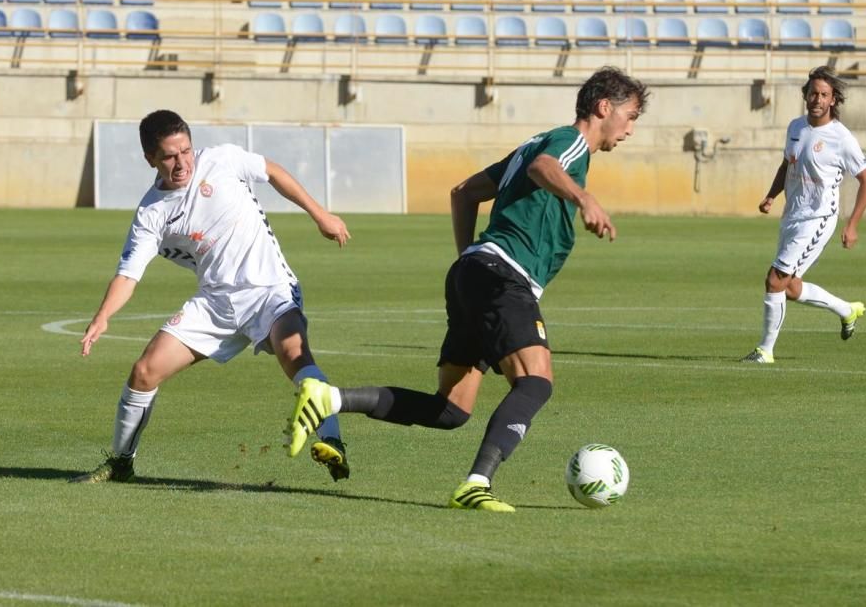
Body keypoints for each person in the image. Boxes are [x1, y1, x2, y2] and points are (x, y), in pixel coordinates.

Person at [284, 67, 648, 512]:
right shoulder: (566, 145)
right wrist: (584, 199)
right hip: (502, 275)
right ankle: (476, 483)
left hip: (475, 272)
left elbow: (463, 192)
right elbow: (542, 168)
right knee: (536, 383)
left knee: (451, 409)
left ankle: (331, 398)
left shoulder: (532, 145)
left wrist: (468, 258)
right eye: (630, 116)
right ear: (603, 107)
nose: (630, 129)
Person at [71, 110, 352, 483]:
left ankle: (333, 443)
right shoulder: (151, 213)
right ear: (150, 159)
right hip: (216, 303)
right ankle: (121, 463)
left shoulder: (221, 159)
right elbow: (129, 274)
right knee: (144, 372)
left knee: (295, 355)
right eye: (169, 156)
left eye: (186, 151)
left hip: (270, 289)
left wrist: (320, 214)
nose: (182, 162)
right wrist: (103, 316)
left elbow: (272, 171)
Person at [742, 66, 866, 364]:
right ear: (805, 95)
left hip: (818, 218)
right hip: (792, 215)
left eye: (824, 94)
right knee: (789, 287)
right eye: (813, 93)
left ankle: (765, 350)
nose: (817, 99)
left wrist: (852, 224)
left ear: (833, 100)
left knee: (775, 280)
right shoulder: (795, 127)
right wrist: (771, 195)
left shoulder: (842, 138)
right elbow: (786, 165)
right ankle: (846, 310)